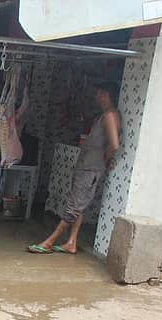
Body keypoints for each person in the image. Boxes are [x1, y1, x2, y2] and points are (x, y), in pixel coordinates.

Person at [29, 82, 121, 255]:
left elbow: (114, 145)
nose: (97, 96)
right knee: (78, 205)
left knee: (73, 207)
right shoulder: (105, 115)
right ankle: (71, 242)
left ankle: (49, 242)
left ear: (107, 94)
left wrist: (105, 159)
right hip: (87, 166)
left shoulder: (110, 115)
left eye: (100, 92)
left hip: (90, 168)